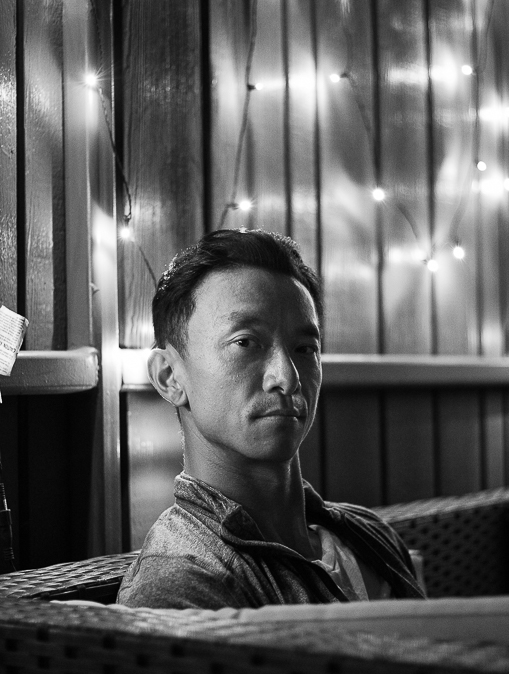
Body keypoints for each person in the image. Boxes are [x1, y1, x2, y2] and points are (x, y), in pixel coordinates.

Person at [116, 228, 424, 609]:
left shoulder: (368, 534)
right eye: (245, 342)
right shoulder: (181, 579)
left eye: (305, 348)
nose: (287, 378)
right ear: (169, 377)